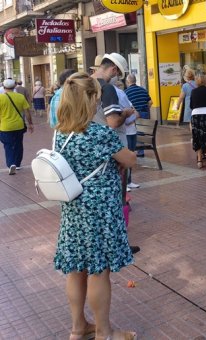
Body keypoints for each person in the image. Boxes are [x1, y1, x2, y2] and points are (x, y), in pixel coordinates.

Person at [53, 72, 137, 340]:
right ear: (89, 99)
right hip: (99, 211)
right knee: (99, 271)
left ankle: (78, 329)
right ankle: (104, 333)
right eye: (97, 99)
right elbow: (130, 159)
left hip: (73, 210)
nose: (98, 105)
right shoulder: (100, 133)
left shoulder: (61, 133)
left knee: (76, 268)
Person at [91, 52, 140, 255]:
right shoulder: (106, 87)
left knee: (94, 202)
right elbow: (113, 122)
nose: (116, 77)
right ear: (112, 69)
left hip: (85, 150)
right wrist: (125, 113)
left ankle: (96, 243)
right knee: (116, 198)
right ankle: (118, 243)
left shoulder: (78, 85)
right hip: (107, 150)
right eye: (117, 73)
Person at [0, 79, 33, 175]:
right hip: (19, 125)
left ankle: (11, 164)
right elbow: (27, 111)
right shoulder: (20, 97)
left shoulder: (0, 98)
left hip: (5, 126)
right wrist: (30, 124)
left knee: (8, 146)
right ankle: (17, 163)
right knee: (19, 144)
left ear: (4, 87)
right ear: (14, 86)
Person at [124, 74, 152, 158]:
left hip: (134, 114)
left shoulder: (126, 92)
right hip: (144, 113)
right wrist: (146, 109)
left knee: (134, 132)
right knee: (141, 133)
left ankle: (135, 151)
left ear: (128, 82)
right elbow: (150, 102)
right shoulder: (143, 90)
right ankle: (140, 152)